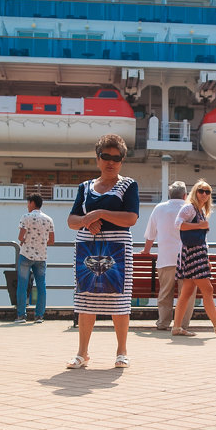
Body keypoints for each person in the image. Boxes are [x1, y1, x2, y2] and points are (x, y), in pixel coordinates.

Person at [66, 134, 139, 369]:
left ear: (122, 161)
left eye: (116, 158)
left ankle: (121, 351)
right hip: (88, 246)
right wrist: (87, 220)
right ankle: (82, 353)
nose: (111, 162)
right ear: (97, 158)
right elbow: (71, 220)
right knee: (86, 298)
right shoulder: (85, 187)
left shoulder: (129, 185)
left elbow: (131, 217)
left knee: (119, 299)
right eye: (105, 157)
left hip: (118, 249)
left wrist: (99, 214)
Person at [170, 180, 216, 337]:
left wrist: (206, 259)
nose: (204, 194)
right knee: (208, 289)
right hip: (193, 253)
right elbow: (178, 224)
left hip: (196, 253)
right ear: (195, 192)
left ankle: (177, 327)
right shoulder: (189, 208)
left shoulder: (199, 210)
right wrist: (200, 226)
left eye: (208, 192)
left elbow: (201, 239)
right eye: (201, 191)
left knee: (186, 292)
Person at [142, 181, 194, 332]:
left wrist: (146, 251)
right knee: (187, 294)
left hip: (166, 259)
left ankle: (163, 323)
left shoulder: (159, 208)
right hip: (188, 259)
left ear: (169, 195)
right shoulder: (191, 209)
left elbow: (151, 234)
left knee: (165, 293)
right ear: (185, 195)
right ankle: (182, 325)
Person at [14, 193, 55, 324]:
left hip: (26, 254)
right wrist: (40, 242)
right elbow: (52, 240)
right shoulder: (48, 219)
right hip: (41, 256)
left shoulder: (26, 217)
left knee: (22, 285)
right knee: (41, 286)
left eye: (28, 203)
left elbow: (21, 237)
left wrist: (26, 240)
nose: (27, 205)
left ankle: (21, 316)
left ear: (32, 203)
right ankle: (39, 316)